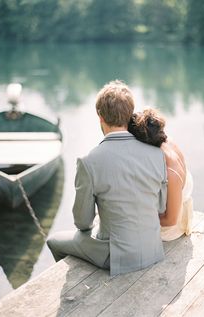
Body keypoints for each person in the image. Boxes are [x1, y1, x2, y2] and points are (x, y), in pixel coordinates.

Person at [47, 80, 167, 276]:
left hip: (118, 257)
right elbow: (160, 207)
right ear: (130, 115)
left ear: (100, 116)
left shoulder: (89, 161)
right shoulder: (156, 154)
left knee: (53, 241)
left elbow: (82, 222)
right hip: (153, 249)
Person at [128, 108, 193, 241]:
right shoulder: (165, 141)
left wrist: (137, 220)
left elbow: (171, 220)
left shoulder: (171, 173)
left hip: (170, 228)